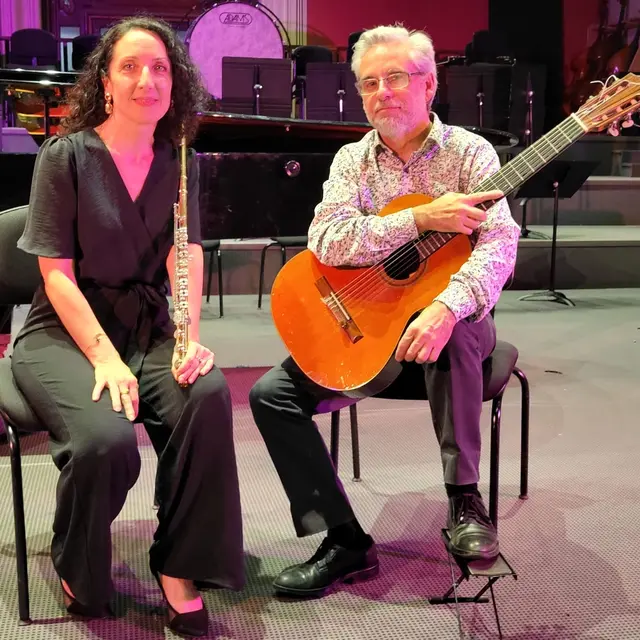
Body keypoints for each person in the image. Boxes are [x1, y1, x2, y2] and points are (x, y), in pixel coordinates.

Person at [249, 24, 520, 597]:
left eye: (395, 78)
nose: (382, 93)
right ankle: (344, 539)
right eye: (369, 83)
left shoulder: (470, 153)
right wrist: (419, 218)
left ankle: (464, 502)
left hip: (448, 341)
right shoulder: (353, 160)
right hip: (371, 331)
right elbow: (327, 241)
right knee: (270, 395)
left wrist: (446, 305)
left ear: (429, 84)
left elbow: (498, 247)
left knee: (454, 323)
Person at [10, 16, 243, 636]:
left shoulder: (180, 159)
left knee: (208, 395)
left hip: (147, 324)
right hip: (65, 330)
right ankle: (77, 560)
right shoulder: (66, 155)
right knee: (105, 443)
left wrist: (190, 337)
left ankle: (180, 564)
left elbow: (185, 254)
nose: (148, 80)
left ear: (176, 82)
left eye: (160, 68)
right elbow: (56, 276)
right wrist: (105, 358)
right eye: (131, 67)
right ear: (106, 82)